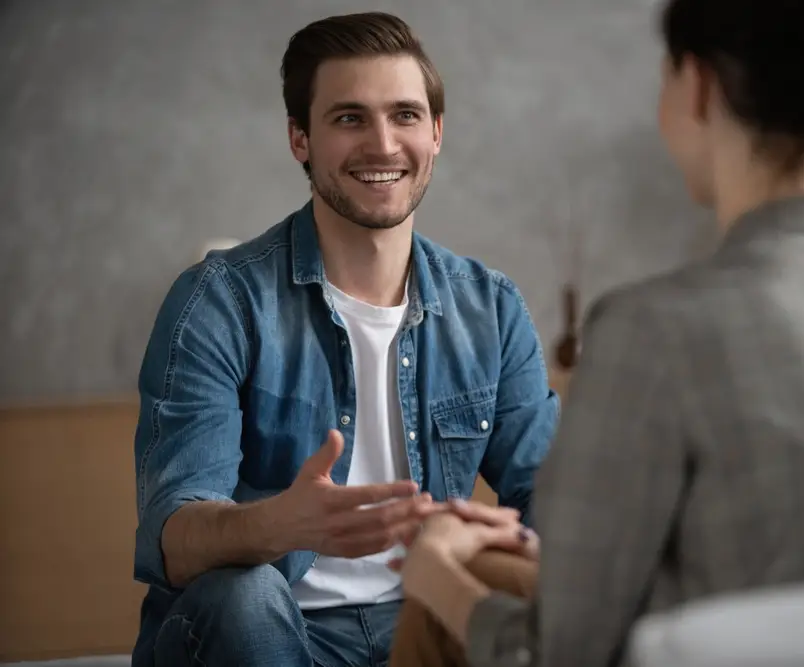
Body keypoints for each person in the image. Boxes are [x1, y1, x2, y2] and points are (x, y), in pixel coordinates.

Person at [389, 1, 804, 665]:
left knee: (442, 600)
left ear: (700, 86)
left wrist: (437, 578)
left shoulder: (648, 333)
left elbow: (558, 654)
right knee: (503, 568)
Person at [130, 12, 558, 667]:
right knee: (242, 595)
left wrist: (473, 540)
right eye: (350, 118)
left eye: (406, 115)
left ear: (437, 133)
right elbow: (173, 538)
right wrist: (283, 523)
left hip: (421, 620)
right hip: (270, 628)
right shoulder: (217, 300)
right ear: (300, 138)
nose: (383, 144)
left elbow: (547, 494)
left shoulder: (491, 307)